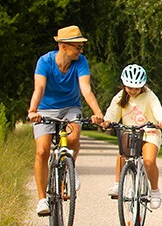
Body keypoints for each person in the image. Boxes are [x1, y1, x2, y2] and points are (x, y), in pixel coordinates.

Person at [27, 25, 105, 216]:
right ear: (63, 46)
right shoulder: (45, 62)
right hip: (45, 109)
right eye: (77, 47)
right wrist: (32, 110)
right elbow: (39, 88)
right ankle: (42, 200)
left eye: (81, 46)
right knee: (42, 150)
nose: (81, 50)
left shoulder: (81, 62)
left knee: (72, 138)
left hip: (71, 107)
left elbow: (86, 89)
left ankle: (69, 168)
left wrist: (98, 113)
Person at [103, 64, 162, 210]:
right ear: (123, 85)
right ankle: (117, 184)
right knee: (123, 152)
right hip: (130, 133)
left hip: (149, 133)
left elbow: (158, 110)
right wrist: (107, 121)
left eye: (137, 88)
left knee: (148, 160)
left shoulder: (149, 96)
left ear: (143, 86)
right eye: (129, 87)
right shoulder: (120, 97)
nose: (133, 91)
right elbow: (112, 113)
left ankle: (155, 191)